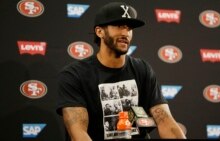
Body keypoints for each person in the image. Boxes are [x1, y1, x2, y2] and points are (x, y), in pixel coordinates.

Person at [56, 2, 186, 141]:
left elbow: (165, 121)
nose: (125, 33)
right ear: (99, 32)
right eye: (119, 26)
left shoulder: (142, 69)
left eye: (129, 28)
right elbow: (78, 134)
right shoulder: (74, 75)